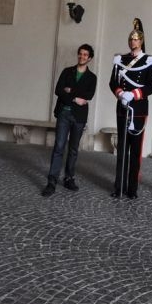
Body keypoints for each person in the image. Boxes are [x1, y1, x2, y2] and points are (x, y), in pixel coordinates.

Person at [109, 18, 152, 199]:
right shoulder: (120, 59)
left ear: (141, 41)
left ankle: (132, 189)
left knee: (136, 151)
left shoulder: (149, 60)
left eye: (136, 39)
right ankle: (118, 186)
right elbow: (113, 82)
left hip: (138, 109)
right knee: (122, 149)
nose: (133, 42)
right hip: (122, 108)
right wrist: (121, 93)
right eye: (131, 39)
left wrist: (134, 94)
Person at [41, 44, 97, 197]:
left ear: (89, 58)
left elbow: (89, 95)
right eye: (80, 54)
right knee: (59, 147)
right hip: (64, 114)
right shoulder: (67, 71)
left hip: (79, 117)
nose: (82, 56)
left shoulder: (92, 78)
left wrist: (70, 90)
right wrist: (74, 96)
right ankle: (51, 181)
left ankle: (69, 178)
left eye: (85, 54)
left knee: (73, 149)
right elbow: (58, 90)